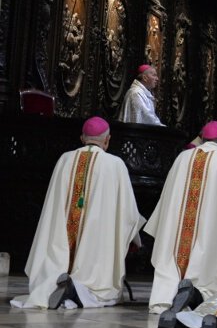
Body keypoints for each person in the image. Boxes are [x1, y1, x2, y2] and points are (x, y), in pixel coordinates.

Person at [11, 117, 144, 309]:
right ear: (107, 140)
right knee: (100, 287)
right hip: (96, 244)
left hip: (61, 239)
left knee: (58, 253)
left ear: (82, 138)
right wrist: (134, 238)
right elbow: (129, 213)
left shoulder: (65, 159)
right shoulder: (115, 164)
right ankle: (79, 290)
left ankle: (56, 280)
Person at [145, 121, 217, 314]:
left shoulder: (182, 158)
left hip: (177, 244)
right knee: (216, 275)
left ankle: (168, 294)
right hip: (212, 242)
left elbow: (167, 200)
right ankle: (196, 294)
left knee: (172, 265)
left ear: (202, 138)